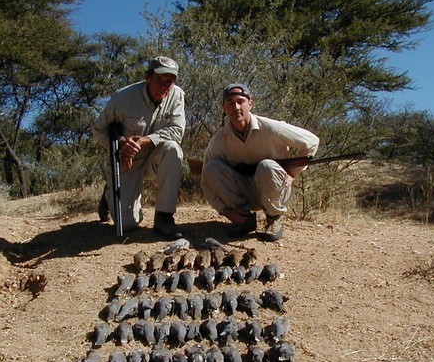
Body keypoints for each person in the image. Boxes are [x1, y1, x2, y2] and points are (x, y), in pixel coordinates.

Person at [201, 83, 319, 241]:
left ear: (250, 103)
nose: (235, 107)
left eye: (240, 101)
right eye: (230, 102)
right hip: (245, 192)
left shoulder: (272, 128)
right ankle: (244, 220)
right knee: (211, 168)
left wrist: (291, 174)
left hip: (275, 190)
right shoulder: (218, 141)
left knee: (267, 166)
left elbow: (312, 142)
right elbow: (205, 180)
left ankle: (273, 218)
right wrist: (224, 210)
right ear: (224, 107)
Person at [91, 56, 186, 239]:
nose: (164, 85)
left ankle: (164, 218)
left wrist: (142, 141)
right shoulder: (122, 98)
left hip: (156, 158)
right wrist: (121, 145)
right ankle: (109, 193)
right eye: (159, 79)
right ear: (148, 77)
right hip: (127, 161)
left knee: (173, 149)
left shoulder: (177, 95)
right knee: (127, 224)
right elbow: (98, 129)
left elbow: (176, 131)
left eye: (169, 81)